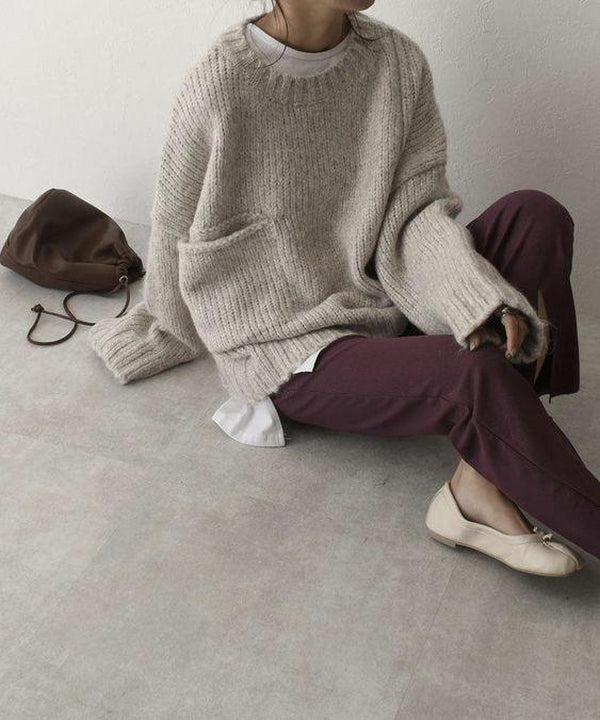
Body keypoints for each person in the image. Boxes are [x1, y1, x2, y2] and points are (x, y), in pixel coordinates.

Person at [89, 1, 600, 576]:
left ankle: (478, 483)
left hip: (386, 295)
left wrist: (472, 297)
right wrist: (161, 327)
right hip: (292, 344)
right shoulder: (222, 81)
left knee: (535, 216)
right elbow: (174, 223)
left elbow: (415, 214)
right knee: (472, 375)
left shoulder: (396, 63)